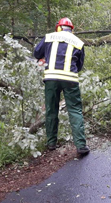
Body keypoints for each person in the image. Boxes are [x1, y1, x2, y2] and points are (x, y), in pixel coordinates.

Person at [33, 17, 90, 155]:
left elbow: (36, 53)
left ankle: (51, 143)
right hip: (70, 79)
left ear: (58, 27)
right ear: (72, 29)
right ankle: (81, 145)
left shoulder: (49, 37)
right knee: (75, 110)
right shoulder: (78, 42)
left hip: (51, 78)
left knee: (51, 110)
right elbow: (80, 66)